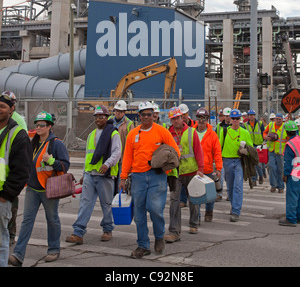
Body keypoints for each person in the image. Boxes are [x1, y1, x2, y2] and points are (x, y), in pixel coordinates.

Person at [119, 101, 180, 259]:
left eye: (149, 114)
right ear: (139, 116)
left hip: (157, 177)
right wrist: (123, 177)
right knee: (139, 214)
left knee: (155, 210)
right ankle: (143, 245)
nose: (147, 117)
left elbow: (175, 152)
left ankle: (159, 237)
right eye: (143, 114)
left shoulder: (162, 132)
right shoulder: (133, 134)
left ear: (154, 115)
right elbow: (127, 157)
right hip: (138, 177)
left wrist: (165, 166)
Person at [9, 111, 69, 267]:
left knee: (52, 220)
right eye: (37, 124)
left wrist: (52, 160)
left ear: (50, 126)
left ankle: (54, 249)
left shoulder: (56, 143)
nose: (38, 127)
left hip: (49, 190)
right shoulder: (33, 143)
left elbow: (65, 165)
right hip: (33, 189)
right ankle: (18, 254)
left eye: (42, 125)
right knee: (26, 221)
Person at [66, 105, 121, 245]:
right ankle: (78, 232)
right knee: (85, 204)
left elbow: (117, 153)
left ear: (107, 118)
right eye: (96, 117)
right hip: (90, 175)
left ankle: (107, 229)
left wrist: (107, 164)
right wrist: (85, 173)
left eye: (101, 117)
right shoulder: (91, 135)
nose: (98, 119)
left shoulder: (113, 133)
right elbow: (88, 156)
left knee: (106, 204)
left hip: (104, 175)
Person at [0, 92, 31, 267]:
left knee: (1, 241)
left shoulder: (18, 134)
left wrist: (6, 196)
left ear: (12, 109)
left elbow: (22, 171)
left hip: (2, 196)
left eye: (2, 106)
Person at [164, 107, 204, 242]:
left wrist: (201, 168)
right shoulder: (167, 134)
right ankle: (174, 231)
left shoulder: (191, 132)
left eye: (178, 118)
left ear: (183, 118)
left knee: (193, 199)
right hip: (175, 173)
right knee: (174, 201)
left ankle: (194, 223)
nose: (176, 121)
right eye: (173, 119)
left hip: (191, 171)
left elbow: (198, 151)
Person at [219, 108, 253, 222]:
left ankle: (236, 211)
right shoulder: (224, 131)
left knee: (238, 186)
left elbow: (251, 149)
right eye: (233, 118)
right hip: (227, 161)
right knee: (230, 186)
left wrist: (245, 151)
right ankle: (234, 206)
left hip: (239, 161)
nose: (235, 120)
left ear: (240, 119)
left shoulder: (245, 132)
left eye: (237, 118)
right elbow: (219, 147)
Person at [195, 107, 222, 222]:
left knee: (210, 195)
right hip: (194, 170)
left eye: (204, 118)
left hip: (208, 169)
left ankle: (209, 212)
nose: (201, 120)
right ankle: (197, 216)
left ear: (207, 119)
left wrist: (219, 169)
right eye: (199, 118)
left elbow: (217, 152)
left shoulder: (212, 134)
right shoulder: (191, 132)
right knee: (196, 195)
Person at [279, 121, 300, 226]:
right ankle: (298, 217)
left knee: (292, 195)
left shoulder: (289, 144)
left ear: (287, 132)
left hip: (294, 172)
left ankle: (291, 218)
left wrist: (285, 174)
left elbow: (288, 162)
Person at [263, 113, 288, 193]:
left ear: (282, 120)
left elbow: (288, 139)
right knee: (271, 167)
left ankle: (280, 187)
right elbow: (264, 132)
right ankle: (273, 185)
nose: (278, 120)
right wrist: (265, 137)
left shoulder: (285, 127)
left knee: (280, 170)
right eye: (276, 119)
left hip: (280, 152)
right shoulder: (270, 125)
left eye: (279, 119)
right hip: (271, 151)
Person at [215, 107, 231, 200]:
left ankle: (229, 194)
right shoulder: (219, 127)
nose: (228, 118)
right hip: (220, 154)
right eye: (226, 116)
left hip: (230, 154)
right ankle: (219, 194)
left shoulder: (234, 126)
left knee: (229, 177)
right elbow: (215, 138)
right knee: (219, 175)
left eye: (229, 116)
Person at [244, 109, 264, 185]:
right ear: (248, 116)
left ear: (254, 116)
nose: (251, 116)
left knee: (258, 163)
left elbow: (263, 133)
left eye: (252, 115)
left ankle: (261, 175)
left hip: (259, 145)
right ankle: (254, 179)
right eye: (250, 115)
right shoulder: (245, 125)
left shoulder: (260, 123)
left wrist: (264, 143)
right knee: (252, 163)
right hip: (250, 146)